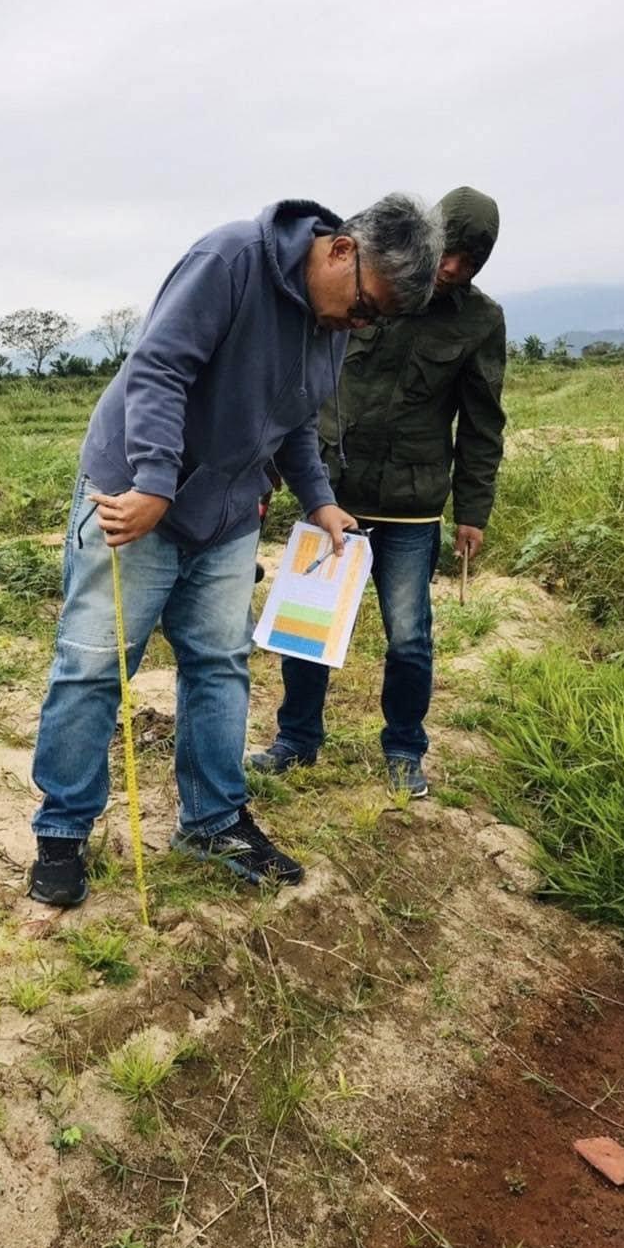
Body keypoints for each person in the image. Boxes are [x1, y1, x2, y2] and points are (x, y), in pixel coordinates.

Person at [28, 194, 444, 906]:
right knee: (97, 664)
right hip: (135, 497)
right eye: (367, 307)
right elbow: (159, 370)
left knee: (219, 665)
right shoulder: (229, 261)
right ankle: (62, 832)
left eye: (377, 320)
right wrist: (156, 480)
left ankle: (213, 820)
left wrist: (318, 499)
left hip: (225, 513)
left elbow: (297, 421)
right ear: (343, 249)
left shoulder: (331, 321)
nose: (360, 324)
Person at [250, 186, 505, 795]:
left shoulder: (480, 319)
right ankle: (297, 740)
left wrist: (472, 510)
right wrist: (271, 471)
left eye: (468, 262)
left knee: (410, 636)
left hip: (413, 511)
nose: (450, 269)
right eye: (447, 253)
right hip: (330, 492)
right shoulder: (369, 283)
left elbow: (482, 422)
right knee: (308, 630)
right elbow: (301, 387)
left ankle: (403, 751)